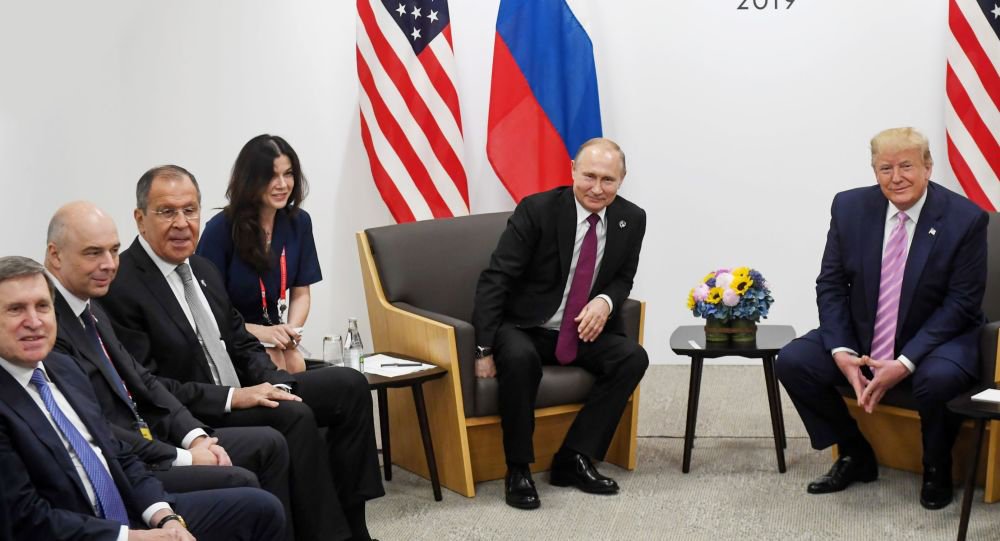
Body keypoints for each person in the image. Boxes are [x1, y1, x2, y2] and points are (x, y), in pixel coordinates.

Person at [101, 165, 384, 541]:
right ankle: (329, 537)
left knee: (349, 385)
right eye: (167, 212)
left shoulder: (202, 269)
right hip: (199, 410)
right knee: (294, 416)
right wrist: (235, 397)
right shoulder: (123, 285)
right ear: (140, 219)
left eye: (190, 210)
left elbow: (240, 341)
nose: (182, 223)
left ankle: (354, 524)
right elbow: (149, 386)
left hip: (245, 392)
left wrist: (277, 382)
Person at [45, 201, 298, 540]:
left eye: (114, 251)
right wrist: (184, 457)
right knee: (242, 483)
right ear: (55, 255)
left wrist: (197, 437)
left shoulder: (89, 307)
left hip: (152, 437)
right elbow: (95, 427)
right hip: (123, 462)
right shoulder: (50, 326)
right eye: (93, 253)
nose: (109, 264)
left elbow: (143, 381)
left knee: (269, 444)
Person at [775, 127, 987, 510]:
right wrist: (841, 350)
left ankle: (936, 466)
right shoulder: (849, 207)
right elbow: (831, 284)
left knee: (937, 379)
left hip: (939, 337)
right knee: (794, 361)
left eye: (906, 166)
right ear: (874, 171)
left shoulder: (965, 219)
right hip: (866, 332)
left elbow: (961, 304)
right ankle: (855, 453)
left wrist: (905, 362)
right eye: (885, 168)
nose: (896, 177)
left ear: (928, 167)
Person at [0, 255, 284, 541]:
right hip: (84, 530)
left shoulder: (64, 369)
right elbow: (28, 520)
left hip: (128, 508)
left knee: (261, 509)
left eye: (42, 306)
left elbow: (118, 454)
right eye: (15, 309)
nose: (34, 321)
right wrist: (132, 537)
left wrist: (165, 518)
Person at [471, 137, 649, 510]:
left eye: (608, 180)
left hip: (580, 330)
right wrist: (483, 349)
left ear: (622, 179)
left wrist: (605, 302)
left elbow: (623, 278)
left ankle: (574, 457)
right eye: (589, 176)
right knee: (519, 359)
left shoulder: (631, 219)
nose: (597, 188)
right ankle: (518, 468)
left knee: (632, 357)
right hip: (525, 326)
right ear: (572, 170)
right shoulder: (538, 210)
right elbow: (496, 279)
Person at [197, 135, 321, 374]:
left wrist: (290, 331)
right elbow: (208, 310)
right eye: (271, 176)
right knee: (274, 363)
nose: (282, 184)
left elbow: (301, 292)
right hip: (231, 335)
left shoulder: (299, 222)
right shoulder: (220, 230)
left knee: (295, 362)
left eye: (288, 174)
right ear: (250, 180)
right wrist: (261, 333)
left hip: (275, 335)